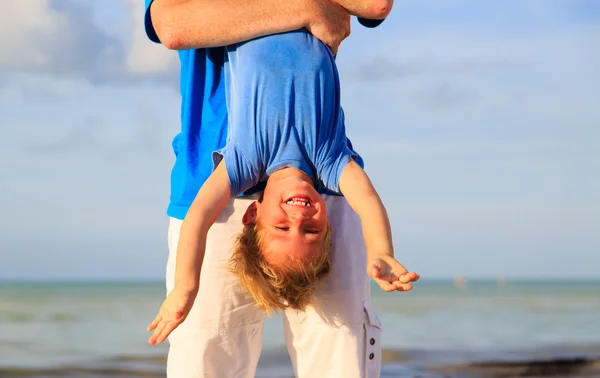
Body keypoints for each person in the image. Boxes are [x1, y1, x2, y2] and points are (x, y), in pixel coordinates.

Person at [143, 0, 418, 377]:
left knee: (339, 360)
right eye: (310, 228)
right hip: (237, 188)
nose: (299, 216)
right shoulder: (327, 159)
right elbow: (173, 25)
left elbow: (374, 4)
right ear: (324, 230)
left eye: (289, 226)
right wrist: (382, 251)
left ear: (257, 218)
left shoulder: (244, 159)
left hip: (235, 196)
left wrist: (185, 287)